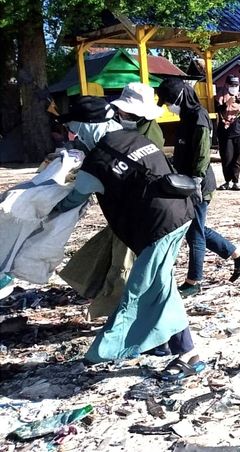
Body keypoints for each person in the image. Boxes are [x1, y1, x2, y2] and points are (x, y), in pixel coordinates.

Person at [52, 96, 205, 379]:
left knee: (141, 291)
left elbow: (73, 200)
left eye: (73, 128)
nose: (72, 135)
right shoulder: (135, 138)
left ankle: (114, 351)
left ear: (86, 126)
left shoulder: (97, 161)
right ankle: (170, 345)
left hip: (157, 227)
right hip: (180, 213)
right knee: (160, 285)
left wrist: (42, 211)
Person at [59, 84, 167, 319]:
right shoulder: (127, 136)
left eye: (75, 130)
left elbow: (77, 196)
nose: (72, 135)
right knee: (107, 253)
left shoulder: (113, 149)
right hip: (149, 213)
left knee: (125, 267)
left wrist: (50, 210)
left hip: (144, 218)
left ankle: (120, 317)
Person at [155, 78, 240, 295]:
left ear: (180, 96)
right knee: (196, 228)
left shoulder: (198, 116)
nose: (169, 106)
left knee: (195, 233)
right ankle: (239, 256)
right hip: (186, 182)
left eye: (169, 101)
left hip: (198, 184)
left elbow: (202, 153)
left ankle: (194, 282)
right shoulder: (186, 116)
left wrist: (196, 181)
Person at [216, 75, 240, 191]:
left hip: (239, 131)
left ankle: (235, 182)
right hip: (225, 132)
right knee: (227, 157)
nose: (234, 88)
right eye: (232, 85)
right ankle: (227, 181)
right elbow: (217, 109)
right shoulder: (220, 97)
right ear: (226, 85)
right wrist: (227, 103)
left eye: (236, 85)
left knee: (237, 157)